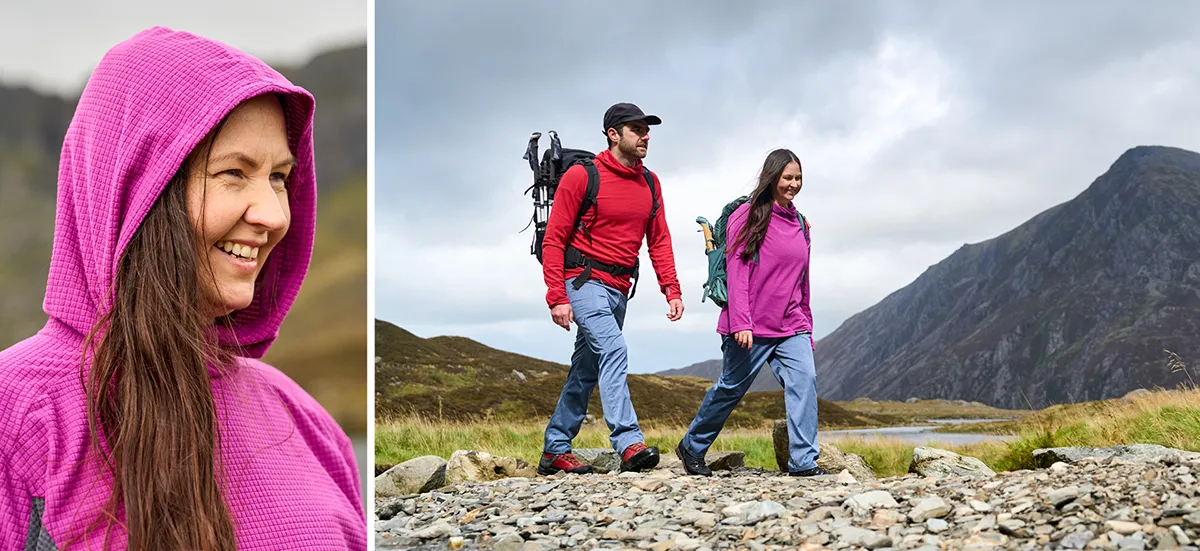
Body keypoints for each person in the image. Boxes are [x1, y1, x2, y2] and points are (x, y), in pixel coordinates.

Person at [0, 27, 365, 550]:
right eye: (234, 173)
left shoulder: (307, 423)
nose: (272, 214)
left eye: (280, 177)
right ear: (135, 187)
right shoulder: (17, 419)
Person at [537, 103, 684, 475]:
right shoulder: (581, 177)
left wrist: (672, 288)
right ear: (613, 134)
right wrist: (557, 295)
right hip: (583, 280)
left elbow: (660, 240)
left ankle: (555, 449)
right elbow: (554, 239)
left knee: (586, 368)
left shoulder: (651, 183)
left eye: (647, 130)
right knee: (614, 349)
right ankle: (628, 441)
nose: (645, 136)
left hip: (620, 287)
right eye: (636, 129)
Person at [674, 148, 827, 478]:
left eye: (798, 178)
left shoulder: (801, 224)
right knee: (730, 388)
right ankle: (692, 446)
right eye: (788, 177)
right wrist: (741, 321)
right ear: (772, 178)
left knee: (805, 380)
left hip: (791, 325)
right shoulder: (748, 215)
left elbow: (803, 281)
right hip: (751, 325)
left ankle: (803, 462)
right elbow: (737, 268)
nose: (794, 184)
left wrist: (807, 327)